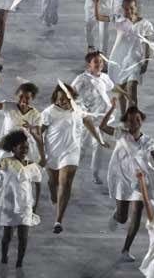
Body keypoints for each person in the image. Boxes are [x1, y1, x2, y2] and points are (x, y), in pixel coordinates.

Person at [100, 103, 154, 262]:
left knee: (137, 215)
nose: (134, 123)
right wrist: (111, 108)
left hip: (139, 180)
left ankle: (125, 249)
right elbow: (103, 126)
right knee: (123, 218)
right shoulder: (120, 134)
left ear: (141, 120)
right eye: (130, 121)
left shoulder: (148, 141)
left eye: (137, 119)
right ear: (126, 122)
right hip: (121, 179)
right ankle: (117, 215)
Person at [40, 83, 104, 233]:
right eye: (60, 99)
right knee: (53, 182)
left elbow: (87, 121)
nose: (63, 101)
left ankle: (58, 220)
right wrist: (40, 151)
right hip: (53, 152)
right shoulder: (49, 112)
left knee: (65, 181)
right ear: (55, 100)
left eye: (66, 98)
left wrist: (99, 139)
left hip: (72, 151)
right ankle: (53, 195)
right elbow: (39, 132)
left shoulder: (78, 108)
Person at [0, 128, 46, 268]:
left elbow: (38, 184)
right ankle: (4, 257)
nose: (24, 150)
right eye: (21, 147)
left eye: (26, 148)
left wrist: (36, 204)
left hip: (25, 205)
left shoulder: (32, 166)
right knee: (7, 236)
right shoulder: (6, 162)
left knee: (24, 237)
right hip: (9, 204)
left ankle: (19, 262)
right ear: (13, 148)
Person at [94, 0, 152, 109]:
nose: (129, 11)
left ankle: (132, 116)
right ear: (122, 8)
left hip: (135, 61)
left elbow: (147, 44)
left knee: (132, 89)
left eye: (131, 8)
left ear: (136, 7)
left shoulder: (145, 24)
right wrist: (96, 3)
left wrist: (146, 62)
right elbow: (99, 17)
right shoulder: (118, 19)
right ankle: (123, 116)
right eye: (126, 8)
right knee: (122, 92)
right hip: (119, 60)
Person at [70, 51, 115, 184]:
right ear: (89, 64)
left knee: (98, 146)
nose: (99, 64)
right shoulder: (81, 79)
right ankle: (70, 170)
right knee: (83, 147)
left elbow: (112, 87)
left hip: (101, 118)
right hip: (88, 118)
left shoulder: (104, 77)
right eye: (96, 62)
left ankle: (95, 174)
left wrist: (125, 94)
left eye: (101, 61)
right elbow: (71, 94)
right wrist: (81, 109)